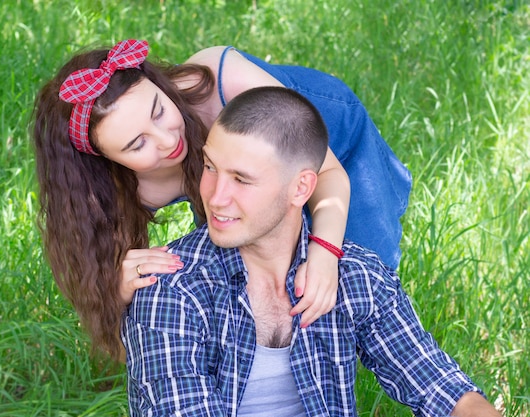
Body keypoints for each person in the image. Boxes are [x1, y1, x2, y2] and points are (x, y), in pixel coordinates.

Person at [122, 87, 500, 416]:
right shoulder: (170, 289)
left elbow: (443, 388)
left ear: (301, 189)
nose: (215, 197)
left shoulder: (355, 276)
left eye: (241, 179)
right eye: (210, 166)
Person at [31, 39, 411, 358]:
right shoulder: (118, 190)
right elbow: (106, 285)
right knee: (255, 278)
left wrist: (325, 254)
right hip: (235, 176)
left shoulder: (216, 81)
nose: (167, 141)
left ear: (160, 86)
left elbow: (328, 174)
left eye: (159, 111)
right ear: (107, 159)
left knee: (358, 272)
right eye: (137, 144)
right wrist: (120, 284)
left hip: (330, 140)